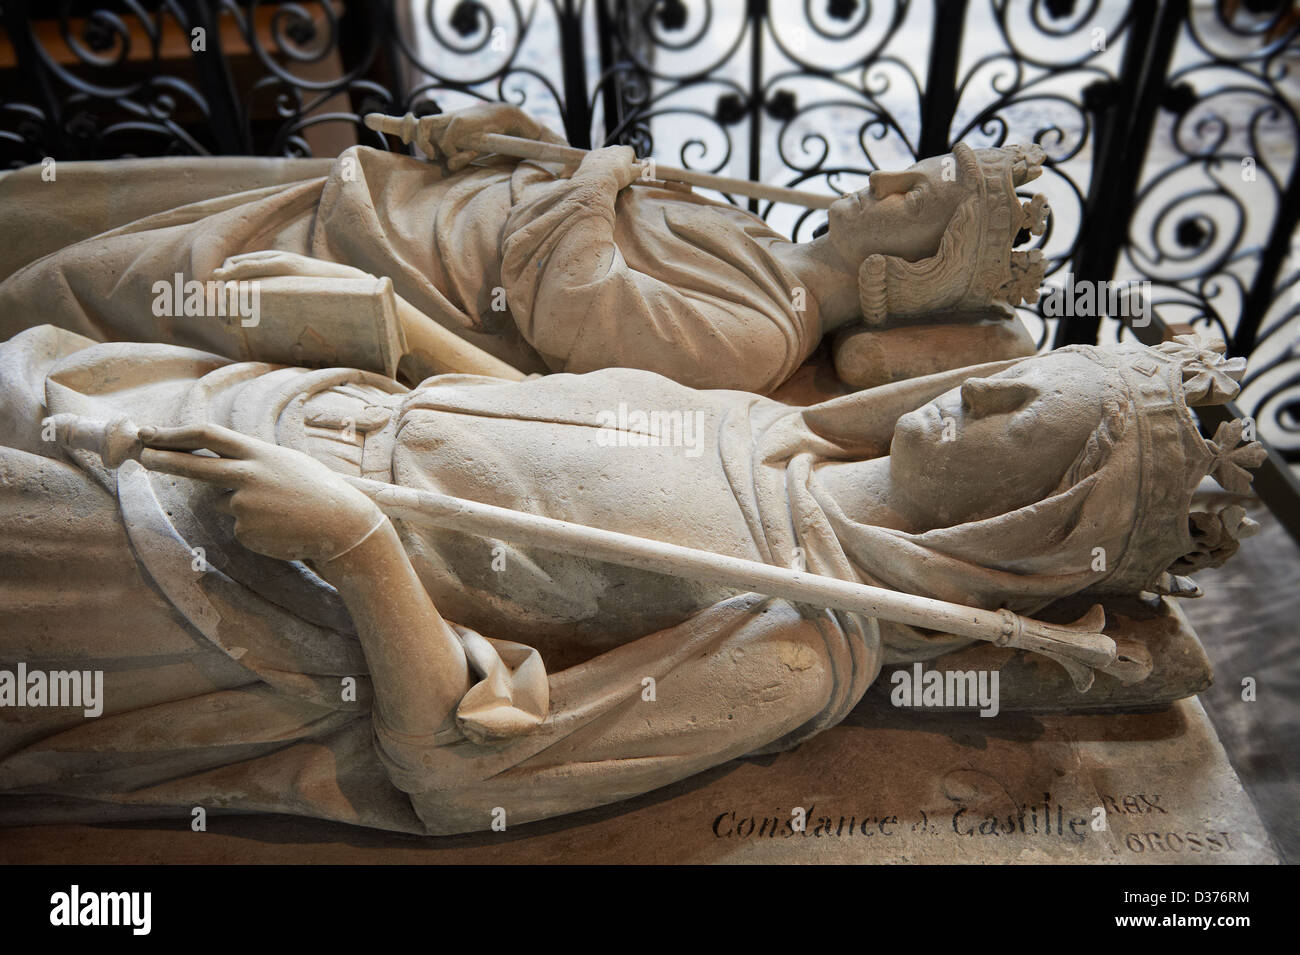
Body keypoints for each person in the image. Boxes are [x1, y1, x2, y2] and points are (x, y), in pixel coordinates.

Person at [0, 321, 1258, 833]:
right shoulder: (774, 432)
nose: (973, 384)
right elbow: (532, 418)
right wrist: (391, 339)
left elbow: (465, 767)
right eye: (1013, 367)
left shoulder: (801, 641)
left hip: (207, 579)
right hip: (218, 411)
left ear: (1045, 512)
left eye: (1020, 413)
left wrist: (353, 544)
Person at [0, 103, 1047, 394]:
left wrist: (592, 176)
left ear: (908, 271)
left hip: (370, 267)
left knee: (70, 299)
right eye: (914, 168)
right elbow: (585, 206)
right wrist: (518, 140)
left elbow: (569, 301)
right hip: (380, 202)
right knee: (76, 221)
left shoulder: (756, 337)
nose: (883, 178)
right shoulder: (765, 240)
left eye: (917, 198)